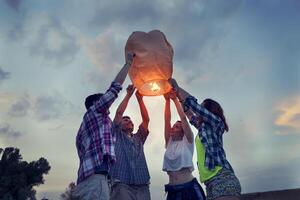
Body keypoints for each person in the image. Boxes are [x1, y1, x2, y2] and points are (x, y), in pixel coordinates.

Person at [73, 53, 135, 200]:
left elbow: (118, 116)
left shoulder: (100, 126)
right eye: (103, 102)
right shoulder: (93, 113)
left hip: (95, 181)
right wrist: (128, 64)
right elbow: (114, 89)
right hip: (95, 181)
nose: (107, 105)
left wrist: (128, 96)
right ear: (96, 104)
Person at [169, 78, 242, 200]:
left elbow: (193, 106)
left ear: (209, 110)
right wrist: (177, 97)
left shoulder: (216, 123)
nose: (198, 112)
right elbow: (188, 113)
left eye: (202, 108)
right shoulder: (203, 128)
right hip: (210, 184)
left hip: (222, 179)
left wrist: (177, 87)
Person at [109, 85, 151, 200]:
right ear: (119, 124)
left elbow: (146, 120)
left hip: (142, 185)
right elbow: (118, 114)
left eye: (131, 120)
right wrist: (128, 95)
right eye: (125, 120)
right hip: (122, 184)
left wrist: (140, 99)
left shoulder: (139, 138)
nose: (129, 122)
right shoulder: (115, 134)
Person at [163, 91, 206, 200]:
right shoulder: (169, 141)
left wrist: (174, 99)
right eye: (174, 126)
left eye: (177, 126)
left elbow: (183, 118)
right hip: (172, 191)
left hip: (189, 189)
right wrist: (167, 101)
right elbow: (166, 120)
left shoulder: (188, 141)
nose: (173, 127)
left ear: (183, 131)